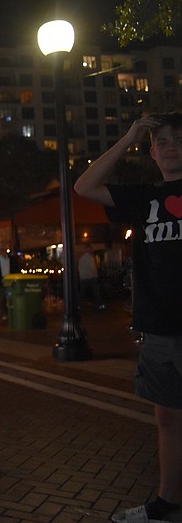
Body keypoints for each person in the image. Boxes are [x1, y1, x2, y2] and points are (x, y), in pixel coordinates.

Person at [74, 112, 182, 523]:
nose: (171, 148)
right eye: (163, 142)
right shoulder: (145, 197)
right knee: (167, 418)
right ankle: (167, 501)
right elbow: (84, 186)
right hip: (158, 328)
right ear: (152, 152)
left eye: (179, 140)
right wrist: (129, 136)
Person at [0, 246, 21, 320]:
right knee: (2, 298)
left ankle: (11, 312)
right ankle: (4, 313)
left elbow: (16, 268)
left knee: (11, 298)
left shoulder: (12, 259)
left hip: (10, 281)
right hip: (0, 281)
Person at [77, 243, 105, 310]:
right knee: (96, 291)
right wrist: (96, 275)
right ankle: (99, 304)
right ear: (89, 249)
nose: (92, 250)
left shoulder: (81, 258)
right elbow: (93, 268)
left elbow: (79, 267)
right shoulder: (91, 258)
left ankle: (78, 305)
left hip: (83, 277)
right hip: (91, 277)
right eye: (91, 249)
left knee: (82, 293)